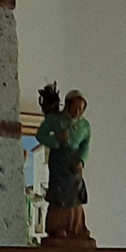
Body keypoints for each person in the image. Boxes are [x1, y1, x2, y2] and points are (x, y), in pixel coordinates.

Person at [35, 84, 91, 243]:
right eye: (75, 108)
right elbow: (40, 136)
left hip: (74, 163)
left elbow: (86, 145)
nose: (78, 112)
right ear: (67, 105)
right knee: (59, 194)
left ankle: (77, 227)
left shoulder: (84, 126)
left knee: (76, 194)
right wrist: (56, 139)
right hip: (59, 161)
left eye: (81, 109)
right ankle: (57, 227)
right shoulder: (55, 119)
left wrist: (81, 161)